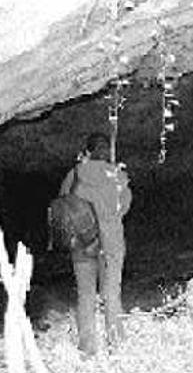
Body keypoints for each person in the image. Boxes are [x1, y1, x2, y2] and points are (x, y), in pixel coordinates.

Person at [58, 132, 132, 355]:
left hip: (83, 244)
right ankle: (116, 345)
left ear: (88, 152)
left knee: (86, 294)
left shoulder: (75, 174)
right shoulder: (118, 175)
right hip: (111, 244)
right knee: (111, 293)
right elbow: (124, 207)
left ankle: (88, 348)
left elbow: (63, 201)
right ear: (106, 151)